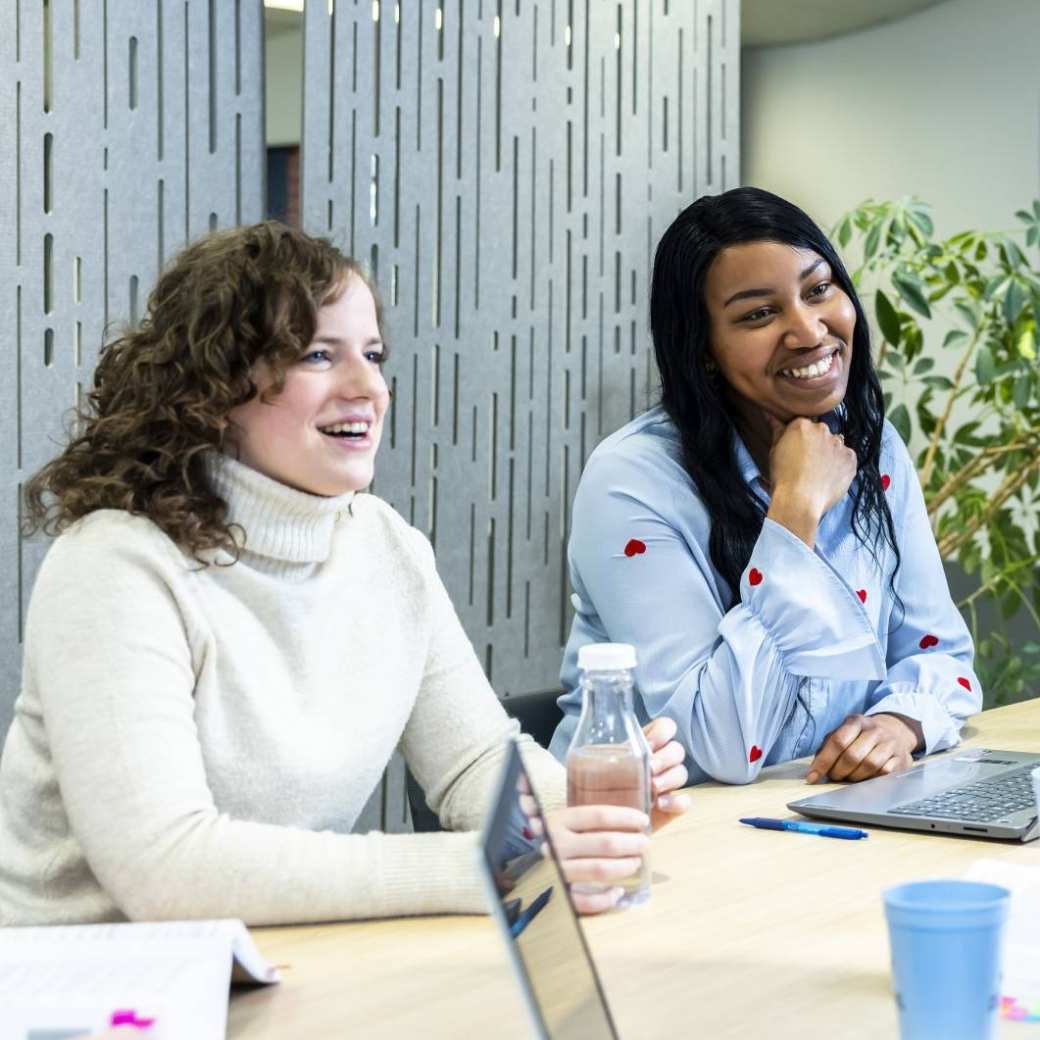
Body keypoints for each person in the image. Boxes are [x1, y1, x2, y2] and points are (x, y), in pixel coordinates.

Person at [0, 222, 689, 927]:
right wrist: (493, 861)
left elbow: (478, 761)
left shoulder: (384, 545)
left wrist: (584, 821)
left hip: (273, 967)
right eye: (317, 355)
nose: (369, 388)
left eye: (373, 354)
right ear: (212, 384)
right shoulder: (116, 563)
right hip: (89, 994)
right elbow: (166, 869)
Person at [549, 187, 981, 785]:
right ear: (701, 350)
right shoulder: (632, 482)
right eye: (758, 314)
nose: (808, 331)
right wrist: (794, 514)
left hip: (813, 820)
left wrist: (900, 722)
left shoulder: (871, 445)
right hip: (641, 838)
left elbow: (942, 655)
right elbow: (718, 746)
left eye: (818, 290)